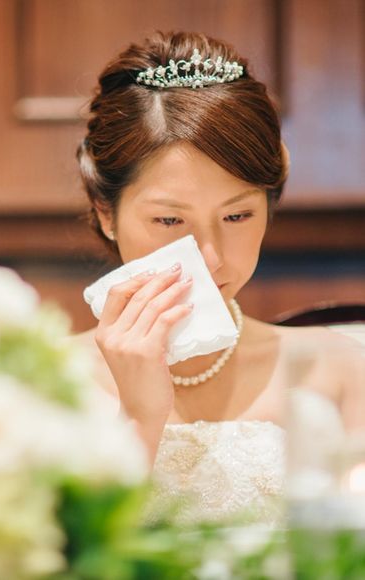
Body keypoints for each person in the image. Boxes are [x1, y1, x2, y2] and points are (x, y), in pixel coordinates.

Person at [72, 31, 364, 524]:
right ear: (106, 213)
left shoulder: (338, 369)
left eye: (237, 216)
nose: (209, 258)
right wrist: (139, 419)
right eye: (169, 220)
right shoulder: (40, 384)